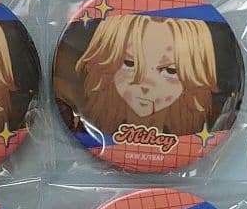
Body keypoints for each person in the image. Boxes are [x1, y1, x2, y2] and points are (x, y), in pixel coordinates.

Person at [75, 14, 217, 139]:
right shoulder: (86, 127)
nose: (145, 85)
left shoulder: (199, 135)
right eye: (130, 63)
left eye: (170, 70)